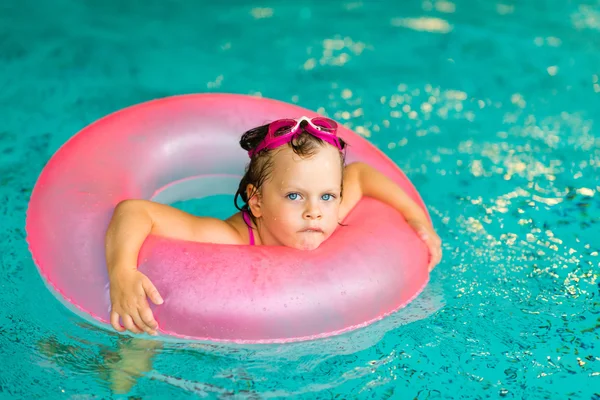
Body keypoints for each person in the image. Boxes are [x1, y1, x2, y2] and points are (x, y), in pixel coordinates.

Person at [105, 116, 442, 336]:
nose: (314, 212)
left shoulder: (327, 211)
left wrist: (414, 218)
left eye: (327, 196)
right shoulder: (228, 239)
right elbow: (134, 211)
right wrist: (122, 272)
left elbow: (361, 175)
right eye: (295, 196)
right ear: (257, 202)